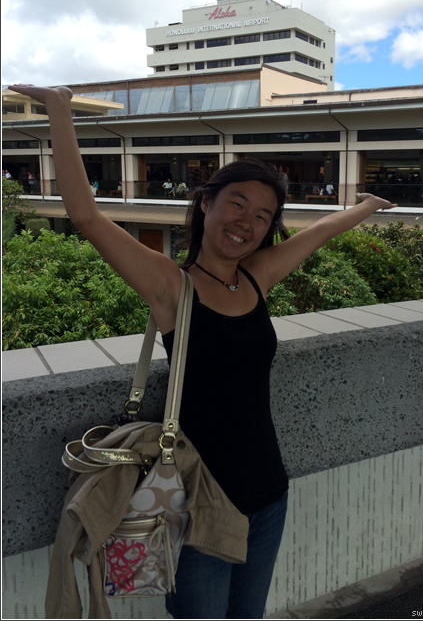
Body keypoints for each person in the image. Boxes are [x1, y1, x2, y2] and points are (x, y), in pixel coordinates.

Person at [8, 84, 397, 620]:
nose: (247, 222)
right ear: (207, 203)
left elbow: (322, 231)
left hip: (269, 495)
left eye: (262, 216)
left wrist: (367, 206)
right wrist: (59, 109)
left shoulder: (257, 277)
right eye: (237, 204)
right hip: (196, 503)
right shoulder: (172, 286)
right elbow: (87, 217)